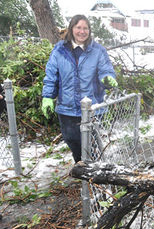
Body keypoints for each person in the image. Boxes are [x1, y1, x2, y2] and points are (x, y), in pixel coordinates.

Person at [41, 14, 118, 163]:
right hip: (66, 107)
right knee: (73, 141)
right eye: (78, 27)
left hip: (92, 107)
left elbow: (106, 70)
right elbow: (51, 76)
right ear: (71, 29)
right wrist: (48, 97)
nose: (82, 31)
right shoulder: (59, 50)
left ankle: (95, 174)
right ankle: (82, 170)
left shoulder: (97, 50)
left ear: (89, 30)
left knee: (91, 143)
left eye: (85, 28)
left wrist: (107, 79)